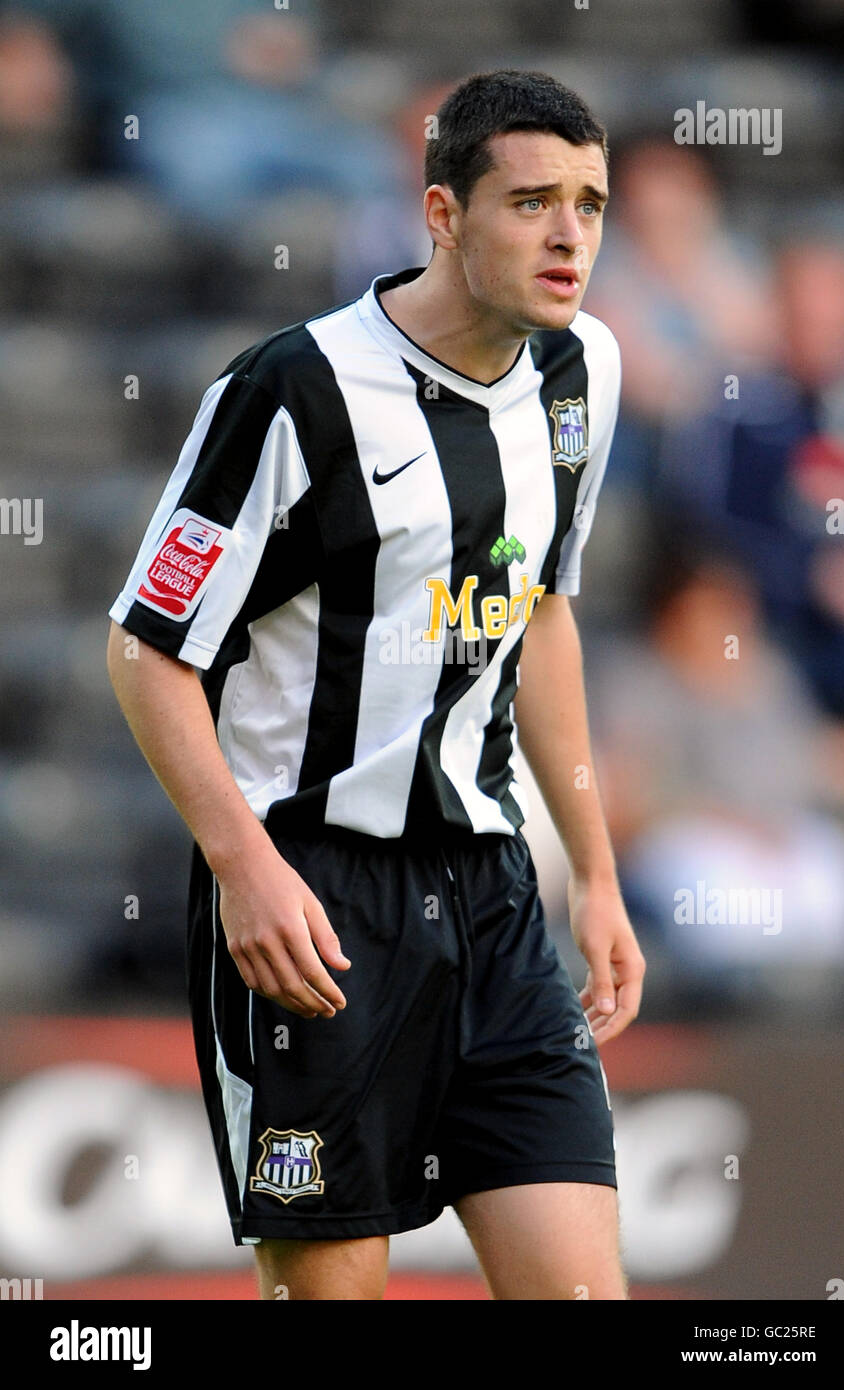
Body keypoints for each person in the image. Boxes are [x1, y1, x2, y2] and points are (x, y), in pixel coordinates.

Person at [106, 68, 645, 1302]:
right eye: (529, 203)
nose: (569, 236)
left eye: (590, 203)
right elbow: (144, 647)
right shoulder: (288, 392)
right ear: (442, 216)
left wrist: (596, 875)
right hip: (312, 903)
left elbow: (540, 611)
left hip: (494, 896)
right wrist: (243, 864)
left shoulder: (581, 375)